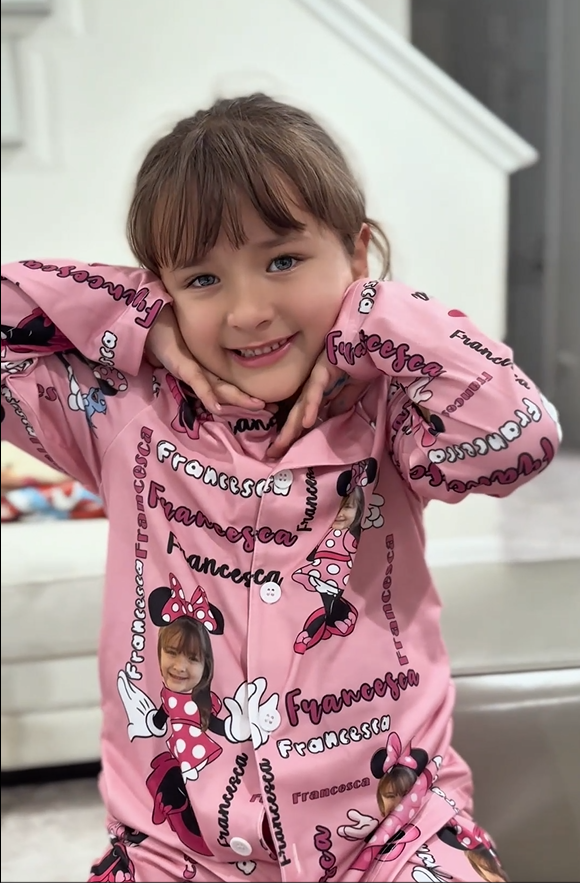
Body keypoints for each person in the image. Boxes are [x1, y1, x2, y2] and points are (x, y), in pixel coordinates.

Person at [0, 92, 561, 883]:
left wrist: (375, 317)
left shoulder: (393, 408)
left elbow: (523, 437)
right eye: (203, 278)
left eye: (283, 260)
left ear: (356, 254)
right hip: (176, 853)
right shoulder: (120, 412)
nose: (249, 311)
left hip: (395, 837)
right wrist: (134, 316)